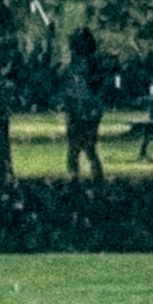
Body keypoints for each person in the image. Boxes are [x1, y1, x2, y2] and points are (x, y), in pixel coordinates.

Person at [60, 27, 109, 186]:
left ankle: (89, 178)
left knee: (86, 147)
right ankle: (75, 178)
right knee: (76, 148)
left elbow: (95, 86)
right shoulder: (76, 62)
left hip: (86, 108)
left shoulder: (91, 63)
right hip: (78, 108)